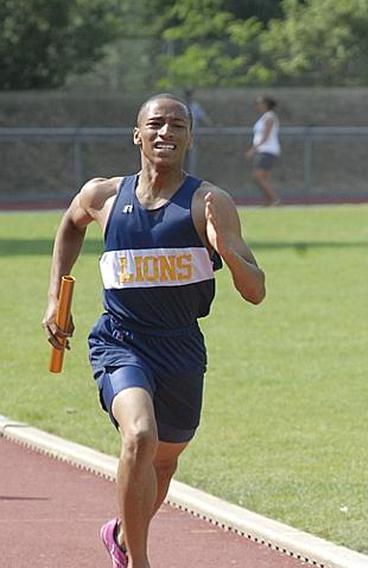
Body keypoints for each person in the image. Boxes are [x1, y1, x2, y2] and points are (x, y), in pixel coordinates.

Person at [43, 93, 266, 568]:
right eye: (157, 124)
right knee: (140, 436)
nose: (166, 133)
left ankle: (122, 535)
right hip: (120, 341)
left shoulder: (210, 202)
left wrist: (226, 249)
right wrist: (54, 298)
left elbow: (256, 291)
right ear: (137, 134)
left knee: (164, 461)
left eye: (178, 126)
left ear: (189, 138)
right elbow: (69, 225)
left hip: (181, 345)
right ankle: (138, 561)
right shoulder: (103, 196)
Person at [245, 95, 281, 206]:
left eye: (259, 104)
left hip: (267, 150)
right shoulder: (264, 117)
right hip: (263, 150)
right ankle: (269, 201)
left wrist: (253, 149)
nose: (257, 106)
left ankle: (274, 199)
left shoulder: (269, 117)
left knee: (258, 176)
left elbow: (265, 135)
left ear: (266, 105)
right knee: (261, 177)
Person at [183, 88, 213, 176]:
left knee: (192, 156)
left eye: (190, 95)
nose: (189, 97)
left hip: (192, 135)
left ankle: (190, 175)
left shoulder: (195, 106)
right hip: (182, 134)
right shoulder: (181, 106)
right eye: (188, 95)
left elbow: (204, 118)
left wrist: (213, 126)